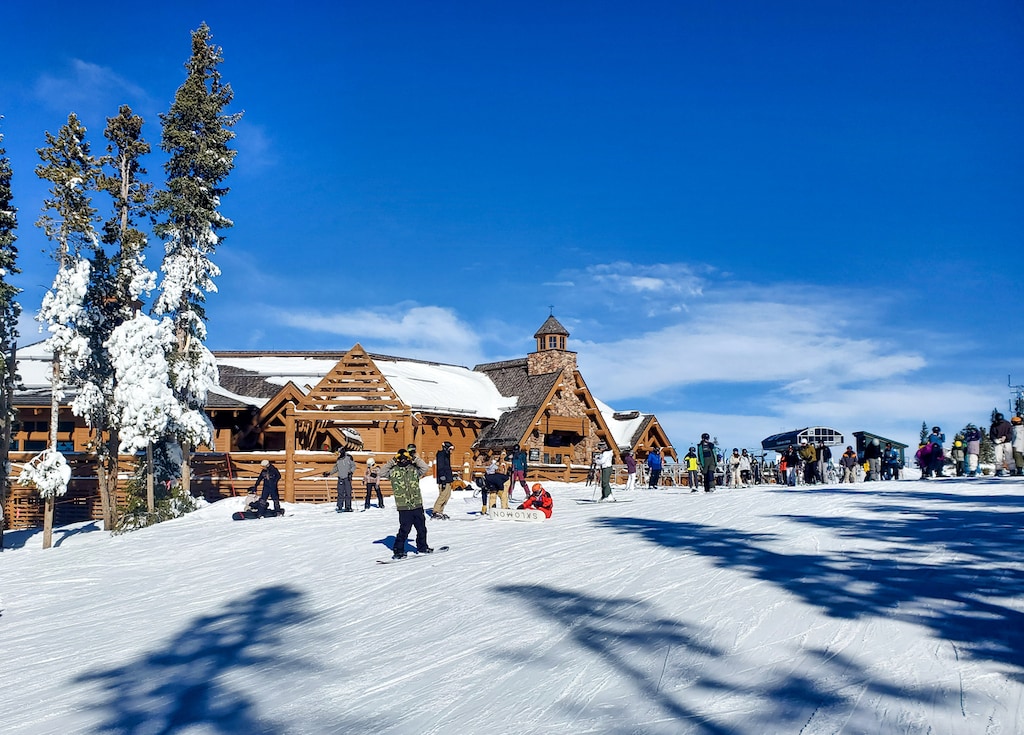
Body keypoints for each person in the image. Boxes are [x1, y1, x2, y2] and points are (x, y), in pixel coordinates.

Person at [379, 448, 432, 559]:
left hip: (416, 504)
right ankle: (398, 550)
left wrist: (414, 458)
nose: (403, 460)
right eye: (401, 459)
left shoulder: (414, 470)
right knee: (404, 529)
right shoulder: (393, 471)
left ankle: (422, 547)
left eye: (405, 458)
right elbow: (381, 472)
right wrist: (393, 460)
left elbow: (425, 468)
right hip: (403, 506)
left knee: (421, 528)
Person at [325, 447, 356, 512]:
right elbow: (336, 468)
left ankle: (348, 507)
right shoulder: (338, 460)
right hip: (340, 478)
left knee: (348, 493)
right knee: (340, 493)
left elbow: (353, 466)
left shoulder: (349, 458)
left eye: (339, 452)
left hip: (347, 478)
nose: (338, 454)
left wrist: (351, 472)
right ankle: (339, 506)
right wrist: (329, 473)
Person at [431, 441, 456, 519]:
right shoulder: (441, 454)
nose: (451, 451)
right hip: (443, 479)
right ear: (446, 448)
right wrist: (442, 477)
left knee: (447, 496)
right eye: (450, 449)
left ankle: (440, 512)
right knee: (443, 495)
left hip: (448, 479)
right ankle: (436, 511)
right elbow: (440, 466)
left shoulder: (446, 455)